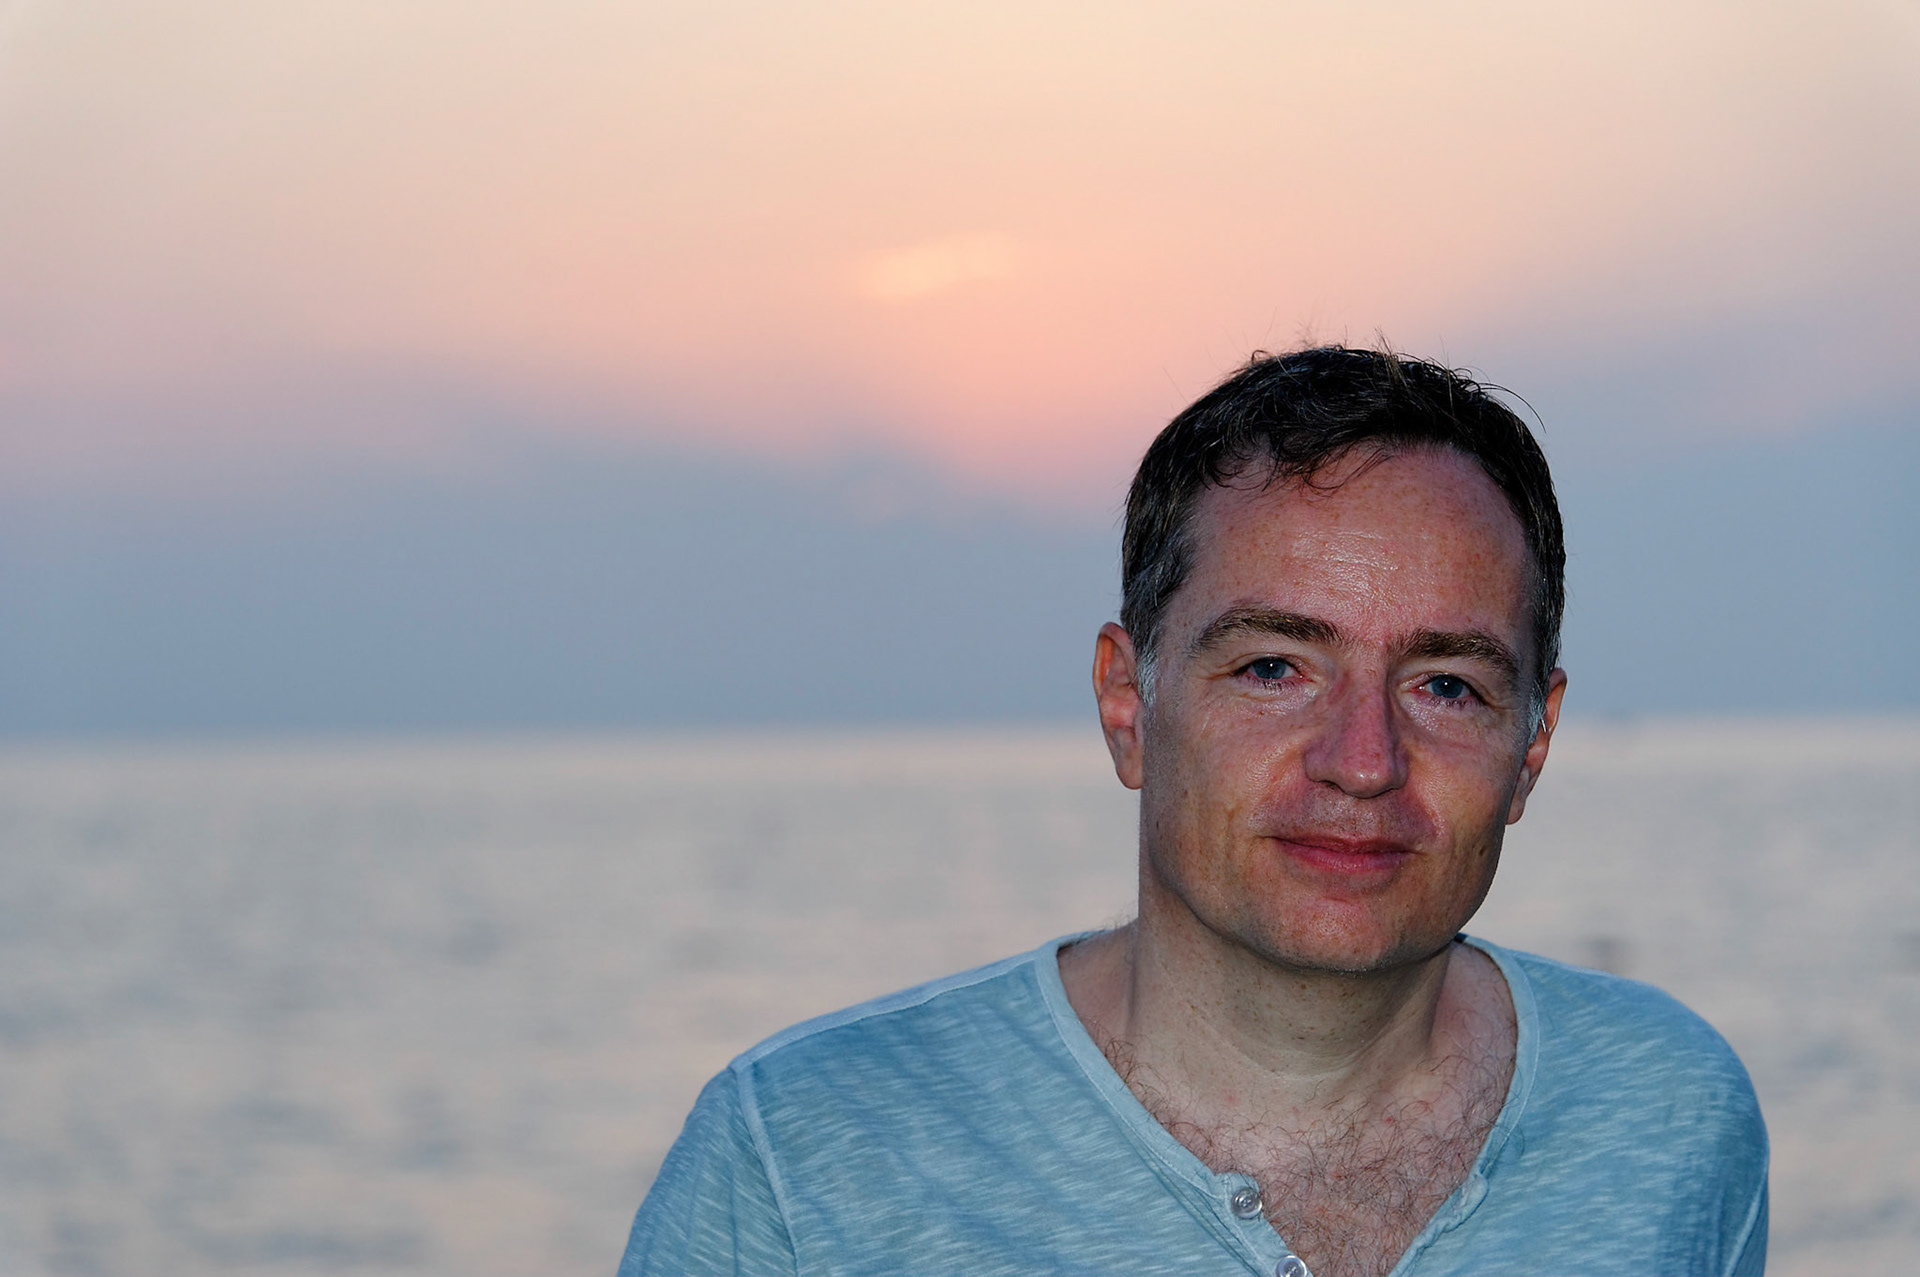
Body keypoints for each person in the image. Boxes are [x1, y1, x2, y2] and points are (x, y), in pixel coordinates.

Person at [619, 347, 1768, 1277]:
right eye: (1274, 667)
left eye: (1446, 685)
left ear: (1533, 745)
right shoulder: (804, 1162)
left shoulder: (1666, 1112)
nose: (1364, 762)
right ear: (1129, 702)